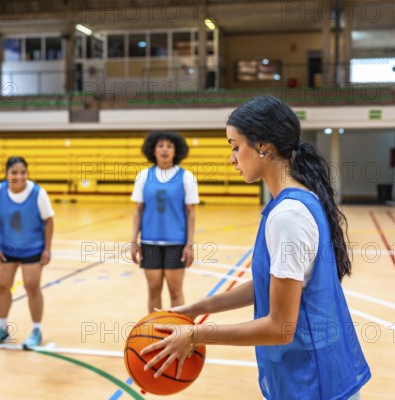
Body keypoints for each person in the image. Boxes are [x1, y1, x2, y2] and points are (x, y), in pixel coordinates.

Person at [141, 96, 371, 399]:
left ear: (263, 146)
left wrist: (196, 336)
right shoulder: (296, 201)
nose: (232, 158)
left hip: (313, 382)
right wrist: (197, 309)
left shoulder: (288, 216)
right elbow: (268, 285)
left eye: (235, 146)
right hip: (313, 374)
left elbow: (280, 327)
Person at [0, 156, 54, 349]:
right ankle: (1, 328)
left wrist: (47, 249)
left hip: (33, 247)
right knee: (3, 286)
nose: (19, 176)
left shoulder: (38, 193)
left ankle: (36, 330)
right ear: (6, 174)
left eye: (23, 172)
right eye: (14, 172)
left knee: (32, 287)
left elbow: (49, 220)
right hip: (7, 248)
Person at [130, 130, 199, 312]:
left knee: (176, 292)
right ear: (153, 150)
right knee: (153, 291)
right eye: (160, 145)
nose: (164, 150)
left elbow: (191, 213)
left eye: (169, 146)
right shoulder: (143, 176)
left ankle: (178, 332)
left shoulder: (186, 177)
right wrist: (133, 242)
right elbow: (138, 210)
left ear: (176, 151)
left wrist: (190, 244)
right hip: (149, 242)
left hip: (176, 243)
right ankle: (154, 333)